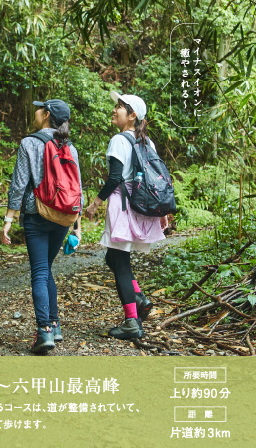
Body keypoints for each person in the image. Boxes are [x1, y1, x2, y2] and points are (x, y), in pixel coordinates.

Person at [2, 99, 83, 354]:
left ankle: (44, 331)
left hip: (37, 214)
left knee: (39, 271)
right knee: (46, 269)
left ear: (46, 115)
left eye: (39, 109)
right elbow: (77, 188)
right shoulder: (69, 147)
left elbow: (18, 184)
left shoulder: (29, 143)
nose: (35, 111)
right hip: (62, 217)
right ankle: (55, 325)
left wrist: (8, 219)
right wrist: (76, 226)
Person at [84, 92, 166, 340]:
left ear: (132, 116)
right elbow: (158, 179)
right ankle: (138, 298)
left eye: (119, 106)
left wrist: (95, 202)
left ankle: (132, 321)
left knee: (119, 261)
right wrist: (161, 211)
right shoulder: (147, 142)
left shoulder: (119, 140)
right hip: (142, 204)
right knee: (114, 257)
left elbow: (116, 178)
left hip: (123, 204)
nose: (114, 109)